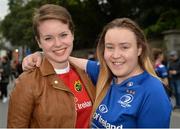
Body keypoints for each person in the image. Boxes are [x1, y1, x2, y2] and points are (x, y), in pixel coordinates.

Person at [22, 18, 172, 128]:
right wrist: (42, 54)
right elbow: (67, 59)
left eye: (124, 47)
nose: (115, 55)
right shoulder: (104, 74)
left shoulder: (153, 92)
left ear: (139, 49)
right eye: (110, 47)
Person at [7, 4, 95, 128]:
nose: (58, 43)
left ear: (72, 34)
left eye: (63, 35)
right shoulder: (26, 82)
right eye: (48, 38)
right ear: (39, 42)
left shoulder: (86, 74)